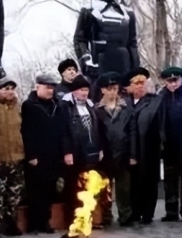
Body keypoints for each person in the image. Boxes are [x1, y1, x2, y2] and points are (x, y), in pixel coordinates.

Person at [73, 0, 139, 81]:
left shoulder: (128, 14)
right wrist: (86, 60)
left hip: (123, 64)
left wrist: (135, 68)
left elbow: (132, 43)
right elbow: (80, 39)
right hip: (99, 63)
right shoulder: (89, 11)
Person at [21, 74, 65, 233]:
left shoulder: (56, 105)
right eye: (47, 87)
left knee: (49, 190)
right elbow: (26, 132)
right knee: (35, 191)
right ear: (37, 86)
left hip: (53, 155)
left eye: (52, 87)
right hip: (37, 156)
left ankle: (45, 221)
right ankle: (34, 223)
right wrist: (31, 155)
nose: (50, 90)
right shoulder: (29, 106)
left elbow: (61, 131)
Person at [60, 75, 104, 224]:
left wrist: (100, 149)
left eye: (86, 90)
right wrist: (67, 152)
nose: (84, 93)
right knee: (72, 186)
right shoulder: (65, 107)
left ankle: (87, 217)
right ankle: (71, 219)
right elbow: (64, 131)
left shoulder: (90, 106)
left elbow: (97, 129)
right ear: (74, 91)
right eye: (81, 90)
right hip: (74, 153)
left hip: (90, 152)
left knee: (88, 186)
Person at [0, 77, 25, 236]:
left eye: (11, 89)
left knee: (14, 194)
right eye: (5, 88)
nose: (9, 92)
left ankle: (11, 224)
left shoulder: (17, 106)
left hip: (16, 156)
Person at [126, 68, 163, 225]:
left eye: (143, 83)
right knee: (132, 182)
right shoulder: (124, 102)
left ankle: (147, 213)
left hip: (149, 148)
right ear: (129, 86)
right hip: (129, 149)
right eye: (137, 83)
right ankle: (133, 211)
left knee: (148, 181)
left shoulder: (154, 102)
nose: (141, 86)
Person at [95, 72, 133, 226]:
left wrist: (132, 153)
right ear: (103, 90)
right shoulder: (97, 110)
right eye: (109, 89)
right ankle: (105, 215)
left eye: (115, 88)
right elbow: (96, 132)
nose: (112, 92)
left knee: (124, 188)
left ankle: (126, 215)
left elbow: (132, 131)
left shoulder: (126, 108)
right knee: (105, 187)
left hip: (123, 152)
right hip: (106, 154)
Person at [158, 67, 182, 223]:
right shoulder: (161, 97)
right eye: (169, 81)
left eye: (175, 81)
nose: (173, 84)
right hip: (168, 143)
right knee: (170, 179)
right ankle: (171, 210)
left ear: (180, 80)